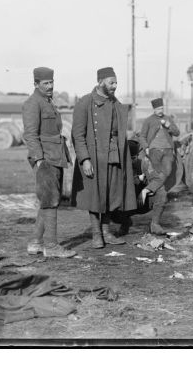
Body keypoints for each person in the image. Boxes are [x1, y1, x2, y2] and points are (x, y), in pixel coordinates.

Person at [71, 67, 136, 248]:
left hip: (114, 154)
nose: (115, 86)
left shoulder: (116, 104)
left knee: (111, 194)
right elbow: (77, 134)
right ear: (100, 82)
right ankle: (96, 234)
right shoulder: (85, 102)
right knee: (94, 195)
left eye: (116, 83)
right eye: (111, 82)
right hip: (93, 157)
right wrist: (84, 159)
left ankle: (106, 232)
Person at [22, 67, 76, 258]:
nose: (50, 86)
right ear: (36, 84)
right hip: (45, 158)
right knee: (50, 200)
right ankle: (51, 247)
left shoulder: (47, 102)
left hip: (55, 155)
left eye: (51, 82)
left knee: (49, 198)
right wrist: (39, 160)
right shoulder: (32, 103)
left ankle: (36, 242)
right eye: (45, 83)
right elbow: (30, 134)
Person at [138, 98, 180, 234]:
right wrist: (146, 148)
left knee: (167, 170)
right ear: (154, 109)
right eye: (157, 109)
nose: (160, 111)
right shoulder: (149, 120)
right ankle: (154, 223)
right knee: (157, 172)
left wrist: (169, 125)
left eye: (161, 108)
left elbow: (177, 132)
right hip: (154, 151)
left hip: (168, 151)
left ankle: (148, 189)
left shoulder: (168, 118)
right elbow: (142, 136)